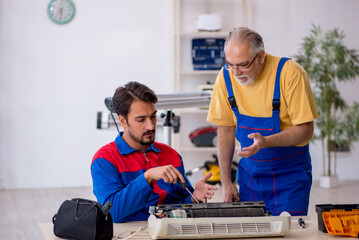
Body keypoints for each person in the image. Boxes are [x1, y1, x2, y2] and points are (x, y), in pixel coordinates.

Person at [207, 27, 318, 216]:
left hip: (290, 175)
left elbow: (305, 130)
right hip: (250, 177)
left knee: (290, 233)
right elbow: (225, 130)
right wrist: (226, 182)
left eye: (242, 65)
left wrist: (266, 142)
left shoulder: (289, 74)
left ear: (261, 56)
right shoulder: (225, 77)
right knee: (253, 232)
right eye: (230, 64)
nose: (235, 72)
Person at [91, 81, 217, 223]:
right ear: (123, 121)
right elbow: (113, 213)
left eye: (153, 116)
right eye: (141, 119)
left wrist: (194, 197)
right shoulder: (104, 160)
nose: (151, 126)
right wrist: (147, 177)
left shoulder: (171, 155)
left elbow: (182, 203)